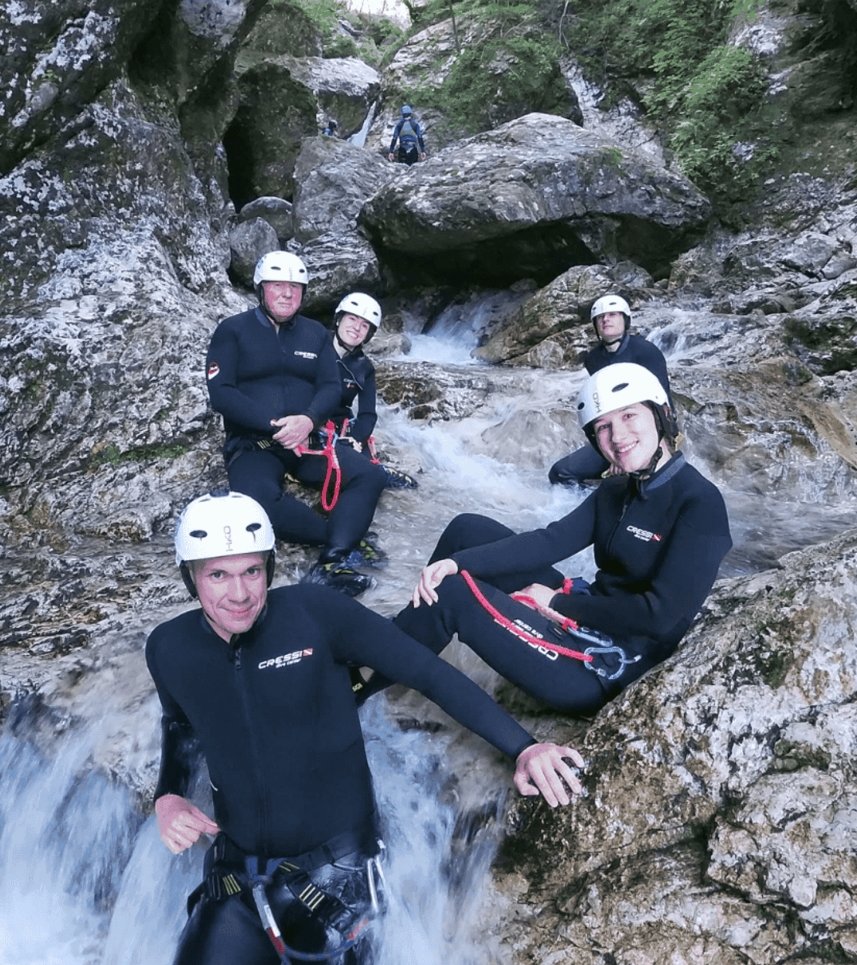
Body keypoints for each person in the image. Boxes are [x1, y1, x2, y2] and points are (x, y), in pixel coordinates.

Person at [149, 491, 585, 965]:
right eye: (217, 575)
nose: (240, 592)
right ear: (190, 577)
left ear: (269, 567)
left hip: (338, 884)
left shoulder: (315, 614)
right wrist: (169, 794)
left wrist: (524, 747)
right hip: (239, 882)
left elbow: (428, 673)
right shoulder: (170, 647)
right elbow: (179, 723)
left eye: (251, 571)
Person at [388, 364, 731, 715]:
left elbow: (659, 616)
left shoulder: (700, 503)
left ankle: (369, 674)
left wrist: (555, 603)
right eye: (604, 427)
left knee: (454, 595)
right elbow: (551, 541)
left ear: (660, 416)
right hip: (586, 617)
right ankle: (392, 643)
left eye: (629, 416)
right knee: (467, 531)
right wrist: (457, 562)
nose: (618, 436)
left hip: (606, 668)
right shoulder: (616, 489)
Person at [206, 251, 386, 596]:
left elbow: (331, 387)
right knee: (254, 501)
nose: (287, 293)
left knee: (370, 474)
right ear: (261, 288)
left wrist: (307, 419)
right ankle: (341, 535)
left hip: (308, 440)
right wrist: (273, 425)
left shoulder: (315, 334)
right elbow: (222, 394)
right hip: (255, 442)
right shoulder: (232, 331)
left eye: (295, 287)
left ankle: (332, 561)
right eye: (278, 285)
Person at [548, 294, 673, 486]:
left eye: (613, 314)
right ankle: (595, 501)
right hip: (614, 433)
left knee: (637, 476)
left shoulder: (646, 352)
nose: (605, 320)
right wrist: (612, 452)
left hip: (649, 431)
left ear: (625, 320)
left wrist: (627, 454)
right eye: (600, 317)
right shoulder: (593, 359)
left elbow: (662, 405)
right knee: (560, 473)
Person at [326, 292, 417, 492]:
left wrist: (355, 439)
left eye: (364, 325)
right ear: (339, 319)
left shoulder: (364, 367)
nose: (356, 328)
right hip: (309, 420)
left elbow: (367, 415)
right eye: (352, 319)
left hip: (339, 426)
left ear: (368, 334)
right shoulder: (313, 344)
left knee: (366, 475)